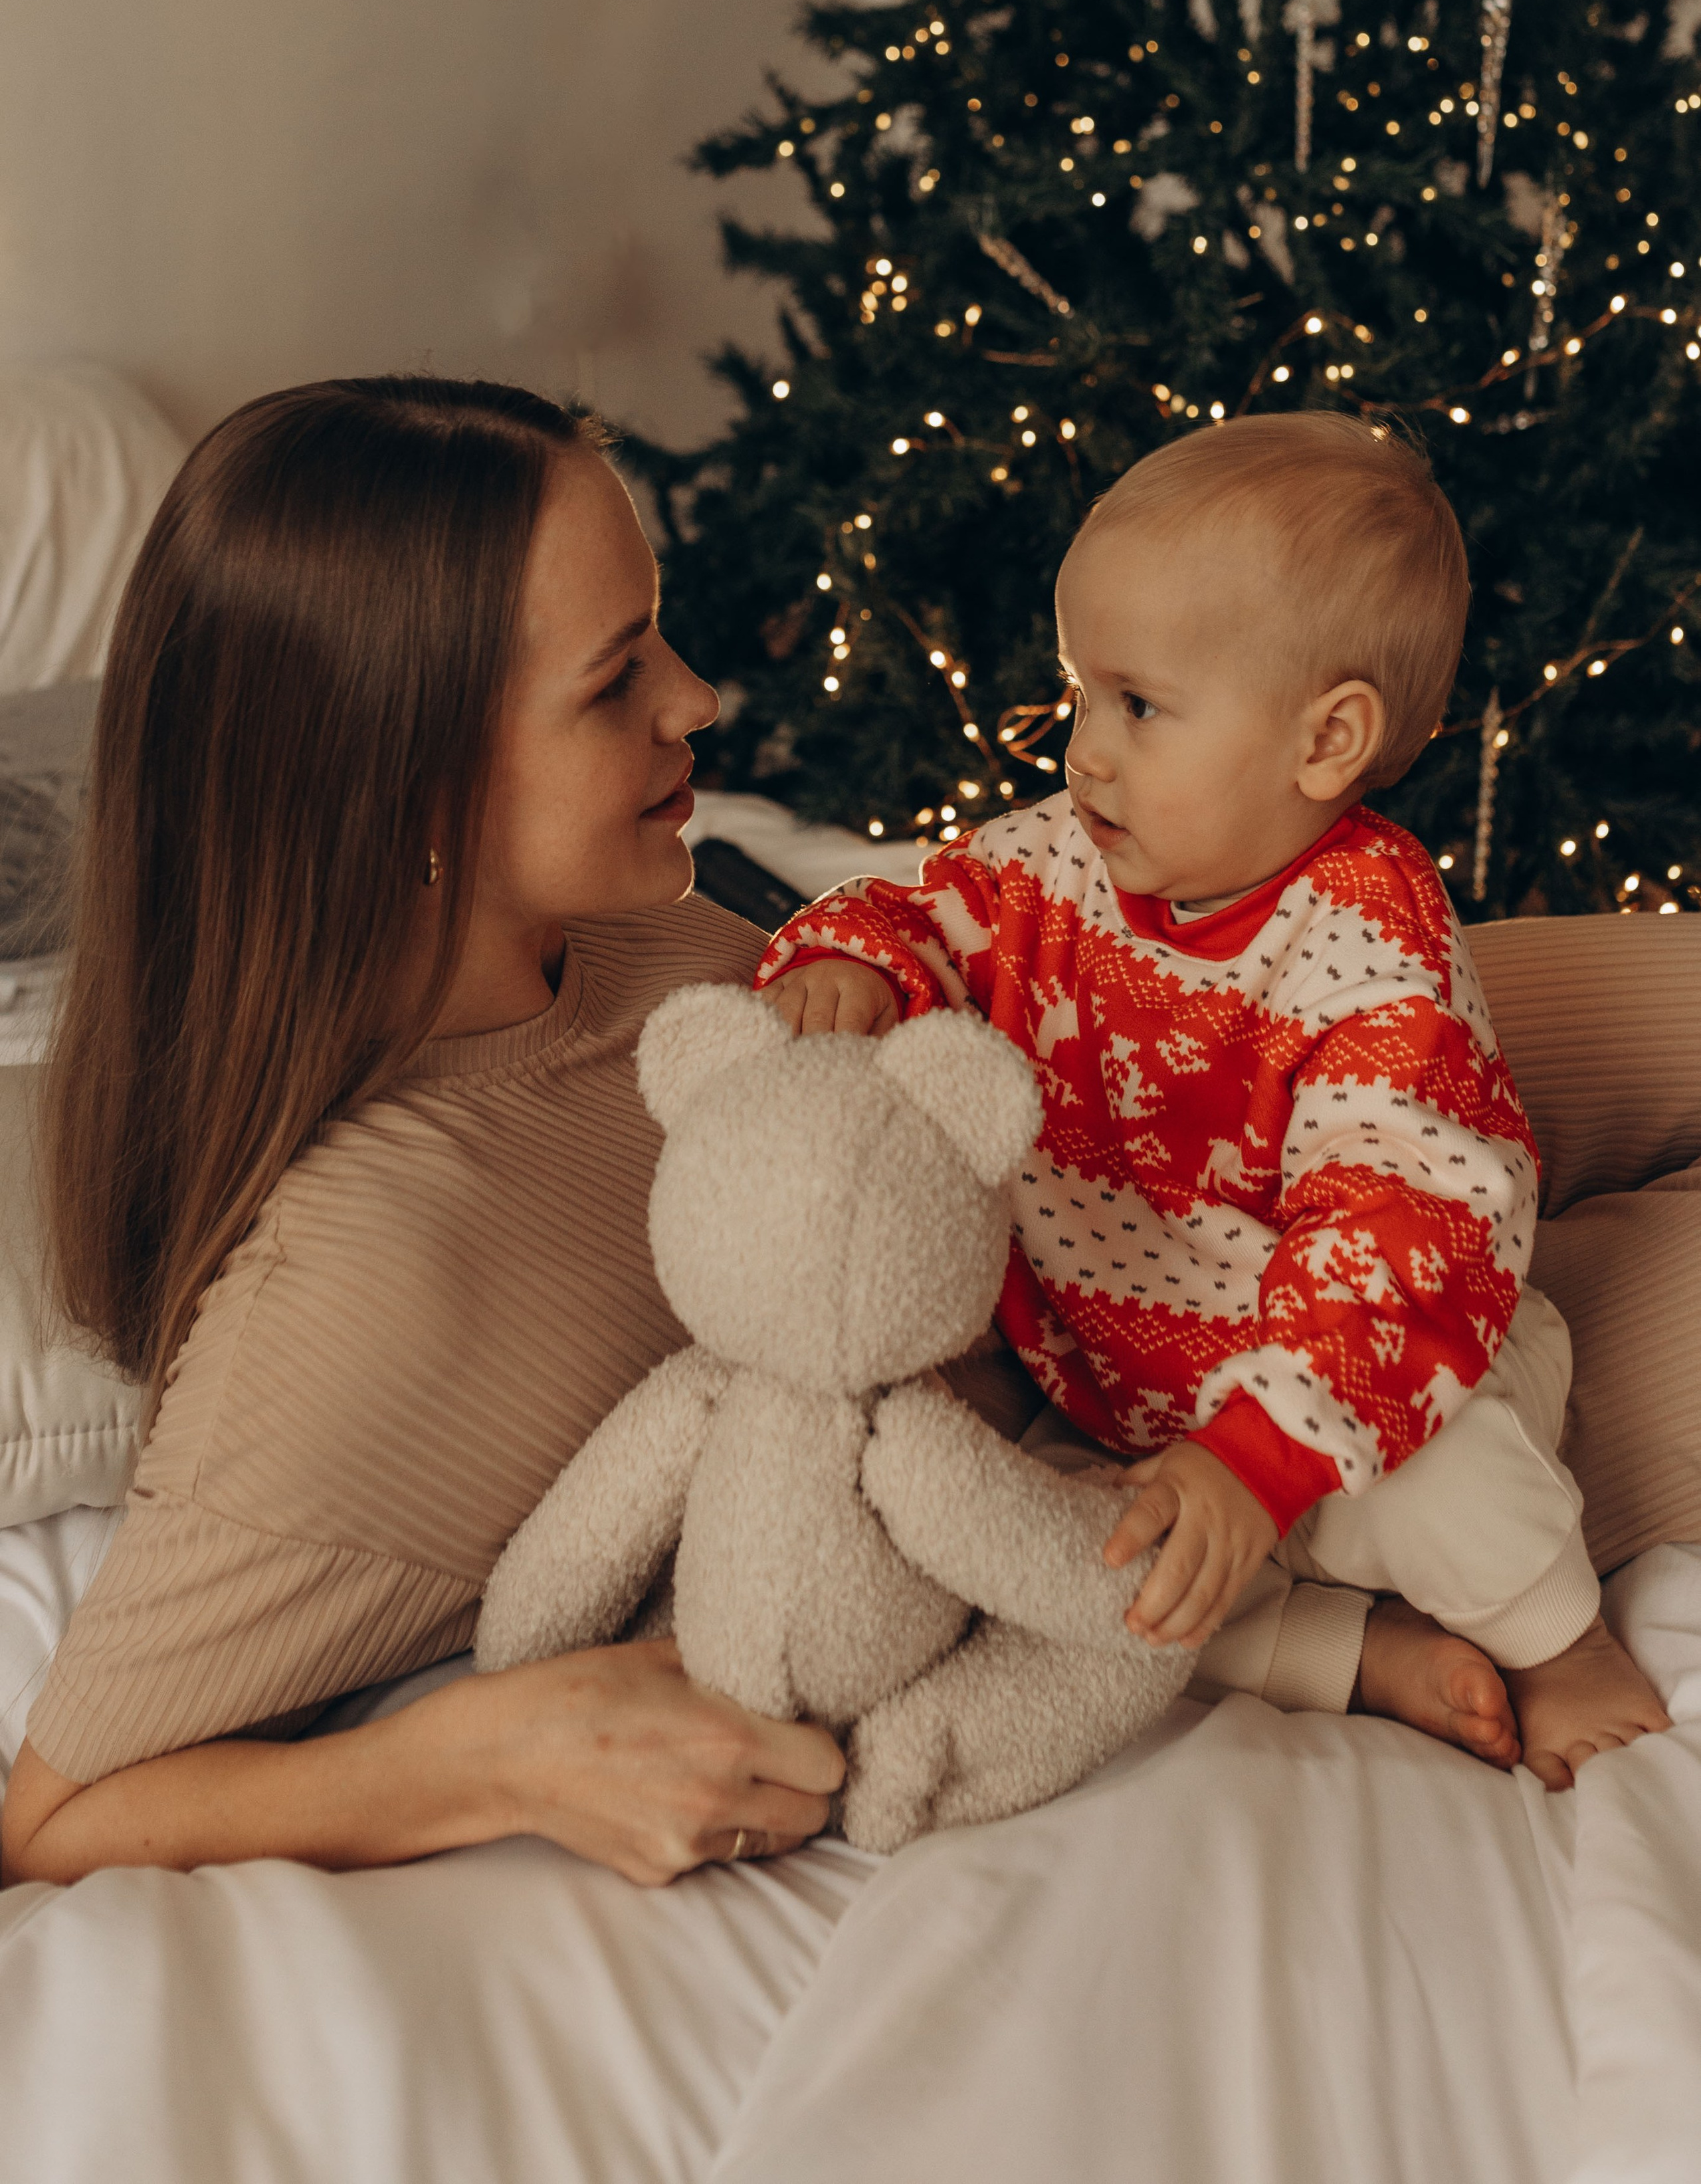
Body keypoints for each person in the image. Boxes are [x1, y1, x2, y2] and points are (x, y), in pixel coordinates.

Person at [0, 375, 844, 1890]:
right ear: (408, 787)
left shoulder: (652, 943)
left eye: (654, 633)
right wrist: (485, 1758)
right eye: (612, 682)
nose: (697, 698)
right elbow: (54, 1821)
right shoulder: (372, 1278)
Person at [756, 411, 1670, 1791]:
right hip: (1130, 1406)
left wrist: (1259, 1461)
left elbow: (1401, 1222)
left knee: (1455, 1498)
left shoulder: (1367, 941)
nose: (1082, 753)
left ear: (1324, 741)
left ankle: (1557, 1648)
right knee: (1041, 1550)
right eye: (1078, 695)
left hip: (1375, 1389)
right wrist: (846, 961)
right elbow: (917, 912)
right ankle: (1346, 1659)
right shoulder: (1056, 866)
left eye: (1135, 705)